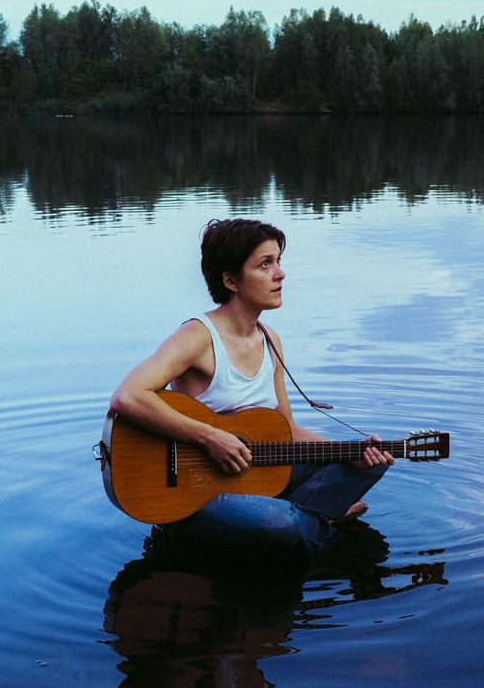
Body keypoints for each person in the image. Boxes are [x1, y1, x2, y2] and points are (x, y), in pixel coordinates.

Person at [108, 217, 393, 557]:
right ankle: (321, 518)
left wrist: (351, 451)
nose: (280, 274)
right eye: (265, 264)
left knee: (375, 461)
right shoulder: (198, 337)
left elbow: (286, 430)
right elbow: (127, 396)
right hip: (194, 496)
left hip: (253, 480)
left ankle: (307, 518)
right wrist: (210, 437)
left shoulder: (270, 340)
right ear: (231, 280)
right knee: (280, 524)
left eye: (278, 262)